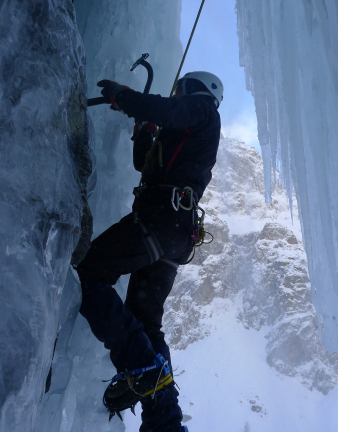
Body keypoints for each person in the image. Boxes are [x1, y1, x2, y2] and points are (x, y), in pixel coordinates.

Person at [76, 71, 223, 432]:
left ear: (193, 89)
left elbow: (171, 110)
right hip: (172, 231)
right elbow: (145, 163)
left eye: (180, 90)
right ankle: (164, 421)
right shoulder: (183, 134)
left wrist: (126, 98)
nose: (178, 95)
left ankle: (141, 364)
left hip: (161, 219)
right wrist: (143, 130)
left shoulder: (203, 110)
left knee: (90, 270)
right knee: (145, 319)